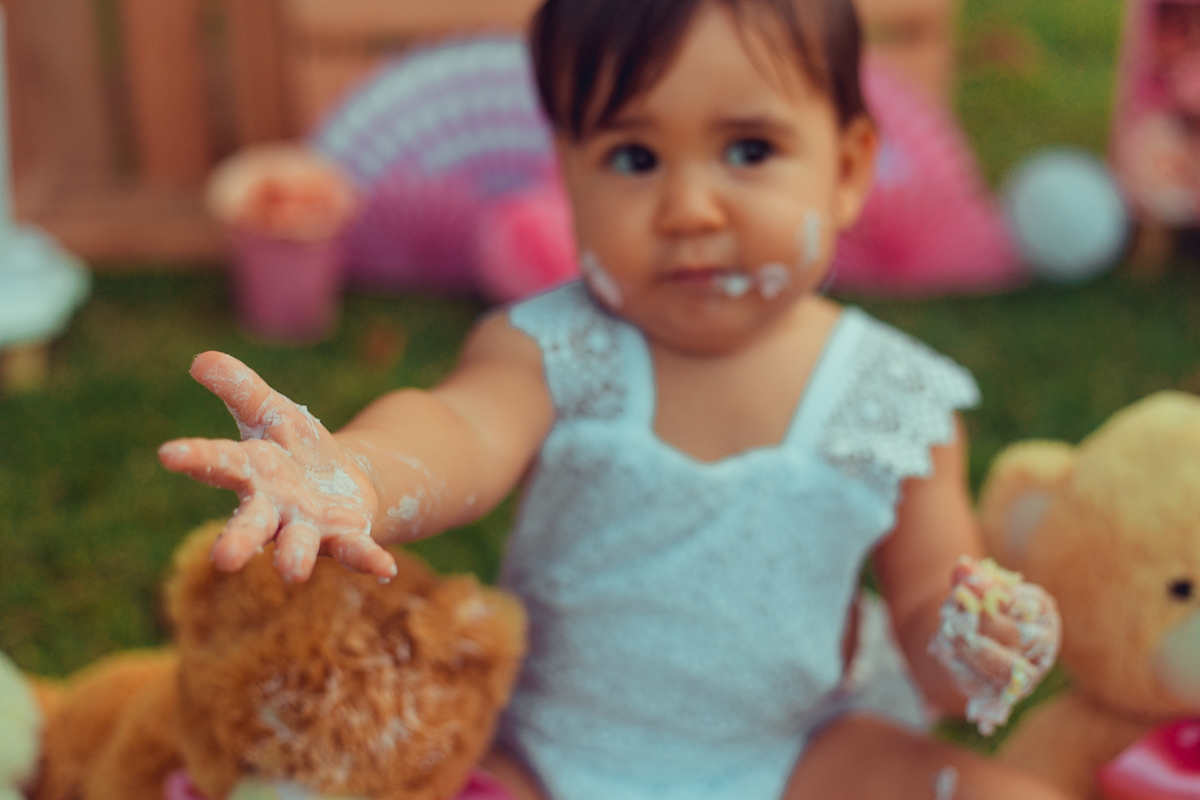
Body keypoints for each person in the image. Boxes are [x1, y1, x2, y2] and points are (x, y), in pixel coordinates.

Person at [159, 0, 1065, 797]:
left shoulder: (896, 401)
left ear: (849, 167)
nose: (691, 207)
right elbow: (462, 428)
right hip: (551, 756)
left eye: (750, 149)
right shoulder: (557, 346)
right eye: (634, 156)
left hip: (797, 757)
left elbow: (925, 627)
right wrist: (359, 471)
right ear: (567, 175)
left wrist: (969, 642)